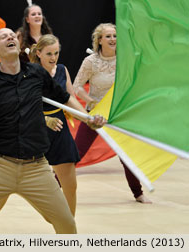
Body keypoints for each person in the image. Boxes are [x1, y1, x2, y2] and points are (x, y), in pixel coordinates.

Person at [0, 28, 106, 234]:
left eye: (11, 35)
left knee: (67, 224)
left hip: (36, 169)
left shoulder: (36, 74)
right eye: (2, 36)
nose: (9, 37)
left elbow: (65, 98)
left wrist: (87, 119)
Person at [0, 34, 82, 234]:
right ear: (38, 53)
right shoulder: (28, 73)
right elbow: (21, 107)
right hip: (32, 131)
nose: (54, 57)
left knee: (70, 185)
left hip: (59, 130)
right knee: (5, 184)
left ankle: (69, 229)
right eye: (49, 53)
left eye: (57, 53)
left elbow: (70, 97)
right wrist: (44, 120)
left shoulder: (62, 70)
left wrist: (88, 118)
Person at [72, 23, 151, 204]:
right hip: (96, 114)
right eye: (108, 36)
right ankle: (54, 186)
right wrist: (90, 100)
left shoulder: (124, 60)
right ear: (99, 40)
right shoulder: (91, 61)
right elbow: (76, 86)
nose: (113, 39)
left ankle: (138, 194)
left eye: (115, 36)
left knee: (126, 155)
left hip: (118, 115)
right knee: (77, 152)